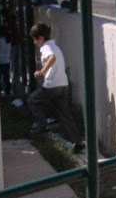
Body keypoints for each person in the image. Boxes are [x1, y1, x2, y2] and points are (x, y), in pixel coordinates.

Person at [27, 22, 83, 153]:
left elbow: (52, 58)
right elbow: (53, 57)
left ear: (40, 38)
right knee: (64, 114)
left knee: (32, 100)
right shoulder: (54, 46)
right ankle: (78, 141)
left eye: (35, 39)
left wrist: (41, 71)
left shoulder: (46, 47)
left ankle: (42, 126)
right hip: (63, 84)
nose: (34, 42)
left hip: (52, 85)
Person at [0, 28, 11, 97]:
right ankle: (8, 92)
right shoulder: (8, 41)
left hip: (0, 61)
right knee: (6, 78)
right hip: (7, 60)